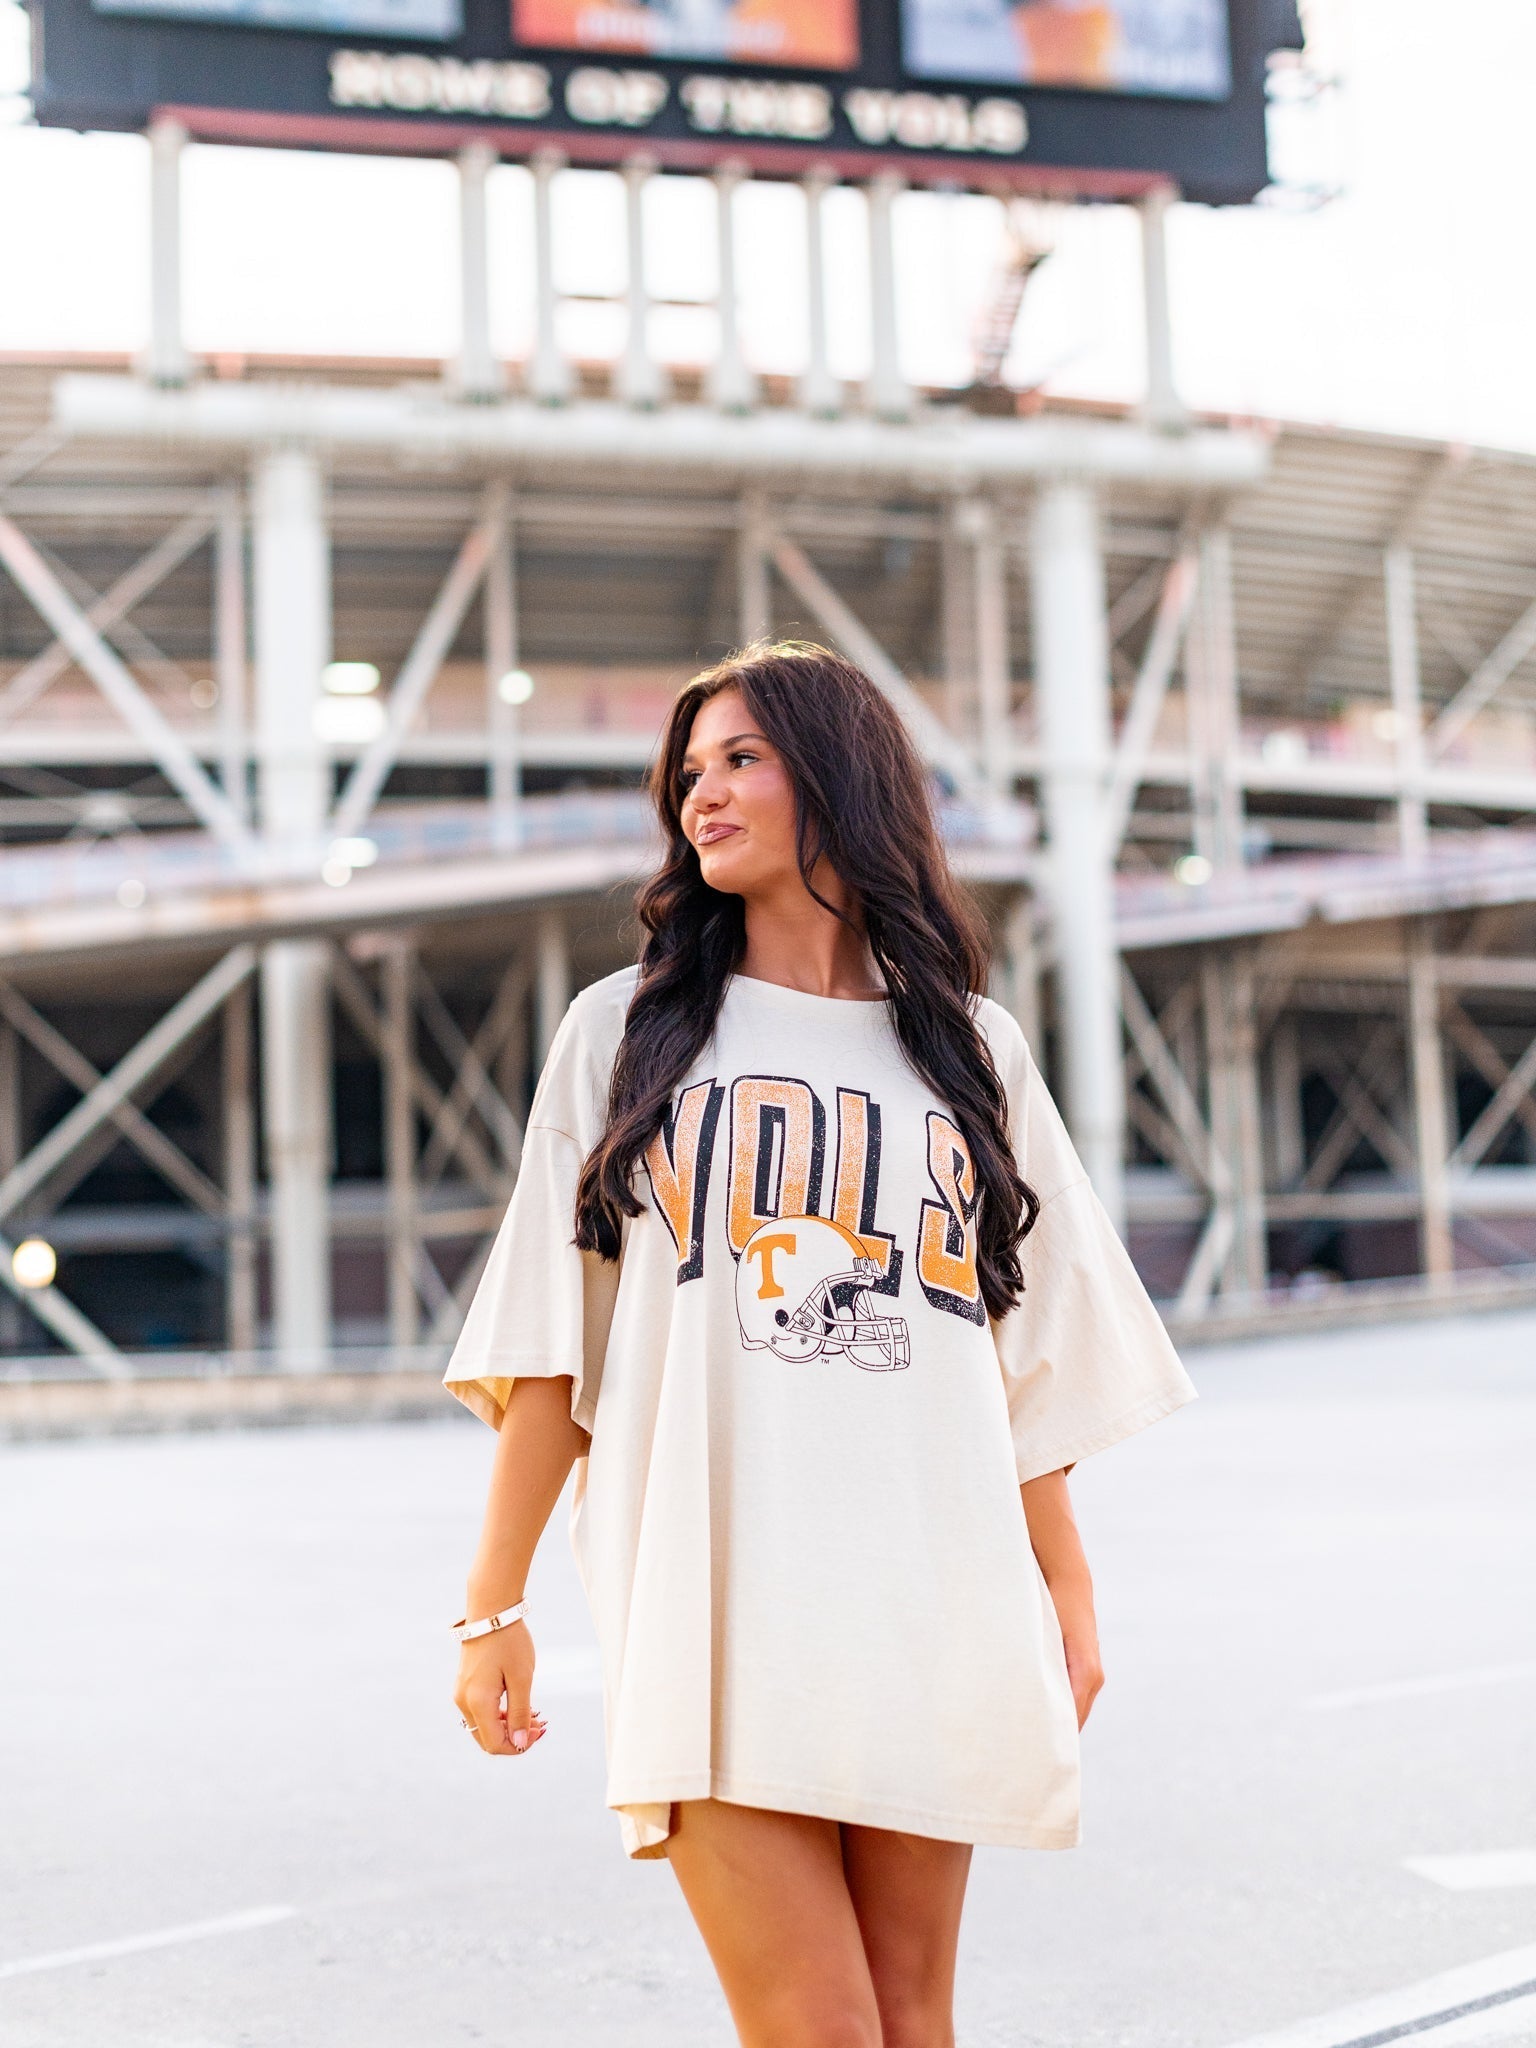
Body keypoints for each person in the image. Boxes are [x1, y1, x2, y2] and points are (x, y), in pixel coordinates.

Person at [446, 641, 1195, 2047]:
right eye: (687, 774)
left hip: (931, 1588)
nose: (701, 797)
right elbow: (558, 1341)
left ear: (837, 779)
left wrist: (1069, 1585)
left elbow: (1018, 1343)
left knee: (914, 2025)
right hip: (713, 1595)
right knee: (822, 2029)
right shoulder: (623, 1036)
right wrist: (494, 1604)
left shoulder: (970, 1049)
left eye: (740, 761)